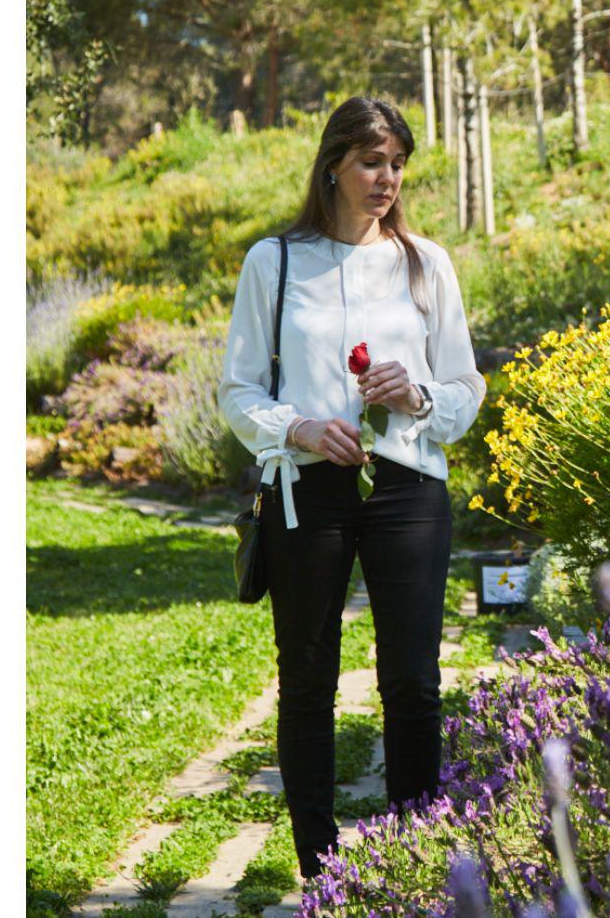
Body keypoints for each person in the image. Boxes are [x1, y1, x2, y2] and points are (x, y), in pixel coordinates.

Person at [217, 96, 485, 880]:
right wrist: (297, 428)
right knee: (307, 681)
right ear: (333, 165)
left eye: (397, 163)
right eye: (372, 162)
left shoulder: (426, 263)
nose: (387, 178)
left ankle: (413, 858)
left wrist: (419, 397)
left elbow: (465, 386)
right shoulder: (274, 261)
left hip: (409, 487)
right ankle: (320, 869)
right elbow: (237, 390)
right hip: (307, 490)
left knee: (413, 680)